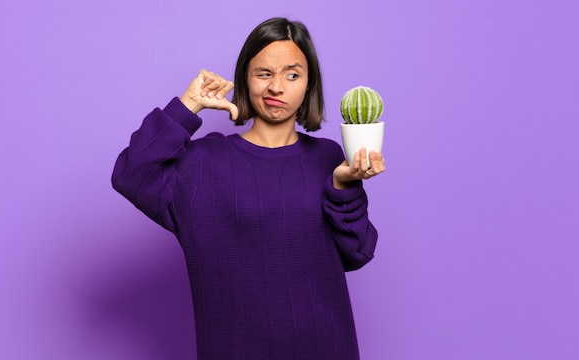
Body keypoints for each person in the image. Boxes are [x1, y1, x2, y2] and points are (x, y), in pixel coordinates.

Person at [112, 17, 386, 359]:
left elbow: (358, 252)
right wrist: (187, 106)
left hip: (327, 347)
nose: (277, 87)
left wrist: (342, 186)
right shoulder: (203, 163)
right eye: (264, 73)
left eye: (292, 74)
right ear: (246, 78)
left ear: (308, 84)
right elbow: (130, 174)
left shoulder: (329, 157)